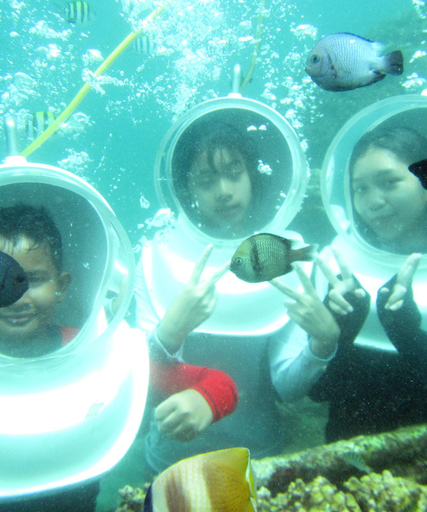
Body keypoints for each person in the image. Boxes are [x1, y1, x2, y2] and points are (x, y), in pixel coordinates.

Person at [0, 204, 238, 512]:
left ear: (62, 285)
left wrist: (203, 400)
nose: (14, 297)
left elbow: (219, 383)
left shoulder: (96, 354)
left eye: (34, 278)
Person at [293, 125, 427, 512]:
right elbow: (321, 393)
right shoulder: (344, 270)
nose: (373, 201)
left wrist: (411, 337)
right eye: (360, 189)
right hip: (355, 479)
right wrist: (342, 330)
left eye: (388, 182)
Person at [136, 118, 340, 473]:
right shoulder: (155, 256)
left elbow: (287, 387)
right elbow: (144, 380)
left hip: (258, 458)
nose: (224, 190)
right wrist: (170, 331)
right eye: (206, 179)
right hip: (169, 462)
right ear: (187, 189)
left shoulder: (286, 254)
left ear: (252, 175)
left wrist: (323, 343)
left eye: (234, 172)